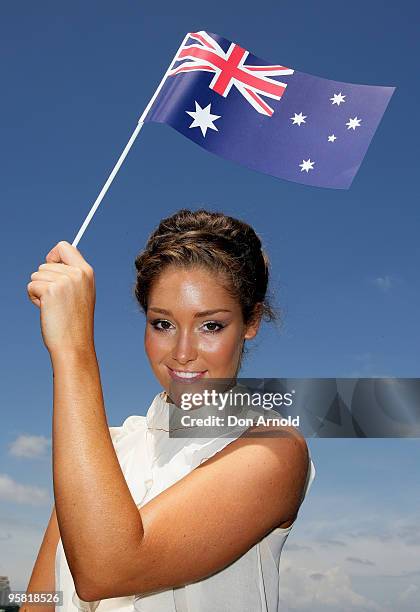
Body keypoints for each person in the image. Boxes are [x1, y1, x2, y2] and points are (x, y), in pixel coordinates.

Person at [25, 208, 315, 612]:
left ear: (251, 321)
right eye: (163, 324)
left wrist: (73, 350)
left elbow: (107, 570)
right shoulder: (101, 448)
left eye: (210, 325)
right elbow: (40, 598)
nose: (182, 352)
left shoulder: (274, 450)